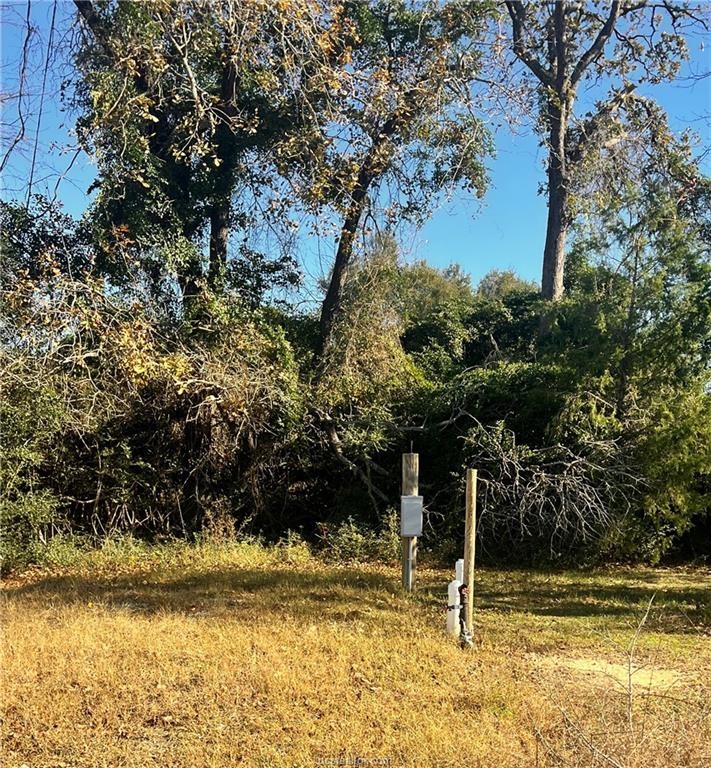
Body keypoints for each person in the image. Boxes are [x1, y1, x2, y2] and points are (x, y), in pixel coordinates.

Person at [458, 583, 474, 649]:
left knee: (464, 624)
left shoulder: (464, 599)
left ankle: (466, 639)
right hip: (462, 612)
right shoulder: (463, 598)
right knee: (463, 623)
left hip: (464, 612)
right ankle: (465, 640)